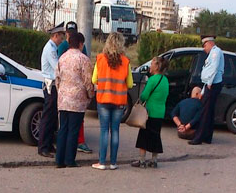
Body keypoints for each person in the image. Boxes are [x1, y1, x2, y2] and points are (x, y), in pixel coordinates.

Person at [91, 32, 133, 170]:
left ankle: (102, 162)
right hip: (119, 101)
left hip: (103, 99)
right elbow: (130, 84)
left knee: (104, 131)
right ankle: (113, 163)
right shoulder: (125, 61)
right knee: (115, 131)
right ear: (121, 44)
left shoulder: (100, 59)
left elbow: (93, 80)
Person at [55, 32, 94, 168]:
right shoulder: (84, 60)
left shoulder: (62, 58)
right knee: (73, 130)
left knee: (63, 129)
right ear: (80, 44)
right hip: (77, 101)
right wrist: (90, 95)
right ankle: (70, 160)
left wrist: (61, 92)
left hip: (63, 100)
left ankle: (59, 160)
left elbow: (57, 79)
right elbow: (88, 82)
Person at [131, 57, 169, 168]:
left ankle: (142, 160)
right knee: (156, 136)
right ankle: (154, 160)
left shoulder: (152, 80)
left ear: (157, 67)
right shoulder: (165, 80)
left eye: (152, 64)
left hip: (149, 112)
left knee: (144, 136)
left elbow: (144, 96)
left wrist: (141, 98)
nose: (150, 66)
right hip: (160, 112)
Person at [189, 35, 224, 145]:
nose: (204, 49)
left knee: (205, 112)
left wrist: (209, 83)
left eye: (205, 46)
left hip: (212, 85)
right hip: (210, 85)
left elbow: (213, 68)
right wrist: (204, 90)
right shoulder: (214, 53)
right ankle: (207, 137)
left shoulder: (215, 52)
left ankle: (198, 138)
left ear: (209, 43)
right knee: (209, 112)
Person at [38, 22, 65, 158]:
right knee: (48, 117)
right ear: (55, 36)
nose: (62, 40)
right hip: (51, 86)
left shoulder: (52, 48)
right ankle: (43, 147)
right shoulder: (50, 49)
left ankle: (48, 144)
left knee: (53, 117)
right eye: (61, 37)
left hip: (53, 86)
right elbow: (57, 68)